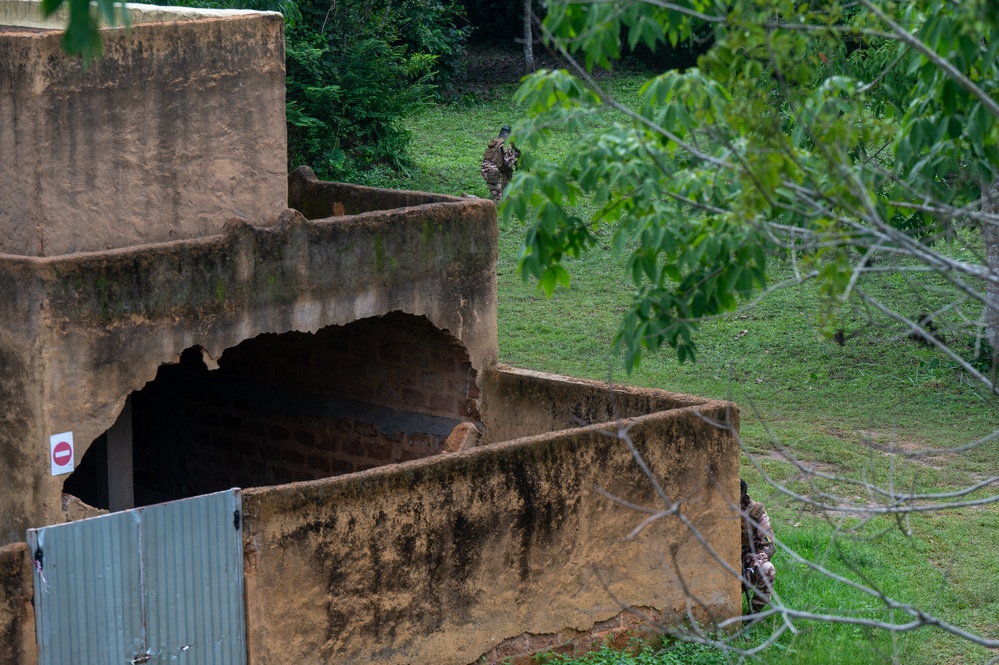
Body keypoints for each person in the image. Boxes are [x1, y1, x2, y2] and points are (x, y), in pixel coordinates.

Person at [741, 478, 776, 615]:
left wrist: (755, 563)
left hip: (746, 560)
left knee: (768, 569)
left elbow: (769, 546)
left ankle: (753, 616)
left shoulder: (755, 512)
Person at [480, 126, 520, 204]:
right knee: (500, 201)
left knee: (507, 172)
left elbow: (504, 163)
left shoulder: (497, 142)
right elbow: (508, 163)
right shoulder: (506, 145)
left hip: (488, 168)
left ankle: (505, 192)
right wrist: (515, 158)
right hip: (491, 171)